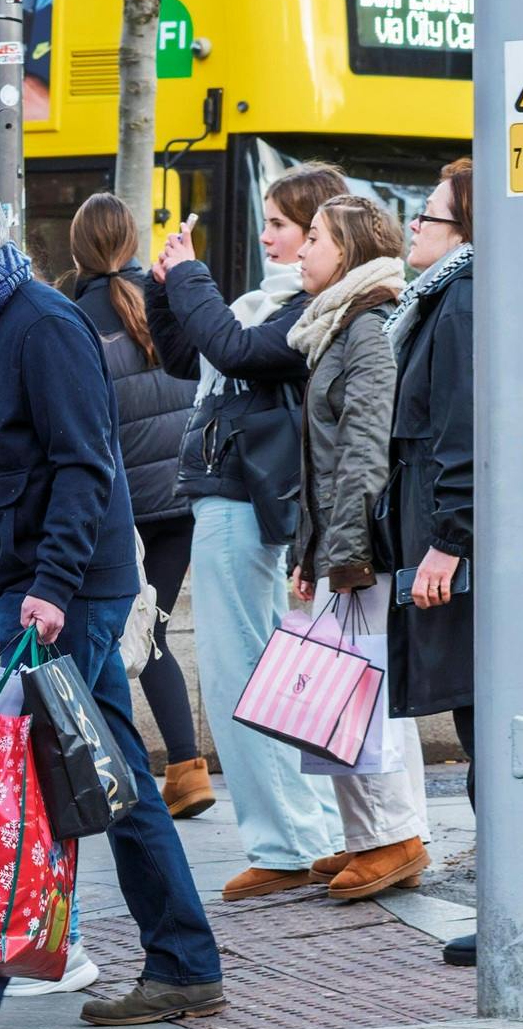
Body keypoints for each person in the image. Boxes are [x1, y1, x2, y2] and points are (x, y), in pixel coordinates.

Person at [0, 179, 224, 1029]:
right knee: (103, 776)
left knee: (61, 777)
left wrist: (49, 589)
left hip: (72, 593)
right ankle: (168, 964)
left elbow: (83, 469)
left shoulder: (41, 328)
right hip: (37, 590)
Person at [147, 166, 344, 899]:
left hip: (245, 503)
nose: (266, 237)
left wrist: (189, 277)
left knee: (245, 676)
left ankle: (286, 843)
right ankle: (307, 834)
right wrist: (165, 284)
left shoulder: (310, 306)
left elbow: (234, 349)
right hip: (232, 498)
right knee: (267, 672)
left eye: (282, 225)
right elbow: (186, 355)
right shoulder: (276, 301)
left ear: (321, 234)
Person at [286, 195, 430, 901]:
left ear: (345, 250)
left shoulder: (366, 328)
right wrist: (308, 549)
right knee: (341, 693)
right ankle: (366, 837)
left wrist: (341, 555)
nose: (302, 250)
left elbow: (364, 453)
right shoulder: (336, 327)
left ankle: (395, 837)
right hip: (338, 543)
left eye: (313, 238)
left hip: (361, 549)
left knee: (362, 693)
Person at [70, 193, 214, 821]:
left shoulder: (73, 318)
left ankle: (122, 772)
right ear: (129, 241)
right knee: (149, 629)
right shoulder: (160, 302)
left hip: (122, 507)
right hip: (180, 499)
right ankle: (186, 768)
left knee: (109, 636)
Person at [383, 157, 474, 961]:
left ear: (466, 232)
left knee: (487, 726)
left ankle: (516, 907)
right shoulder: (441, 299)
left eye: (431, 215)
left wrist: (449, 541)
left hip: (462, 557)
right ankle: (512, 903)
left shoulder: (464, 301)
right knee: (480, 725)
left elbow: (461, 430)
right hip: (440, 541)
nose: (415, 224)